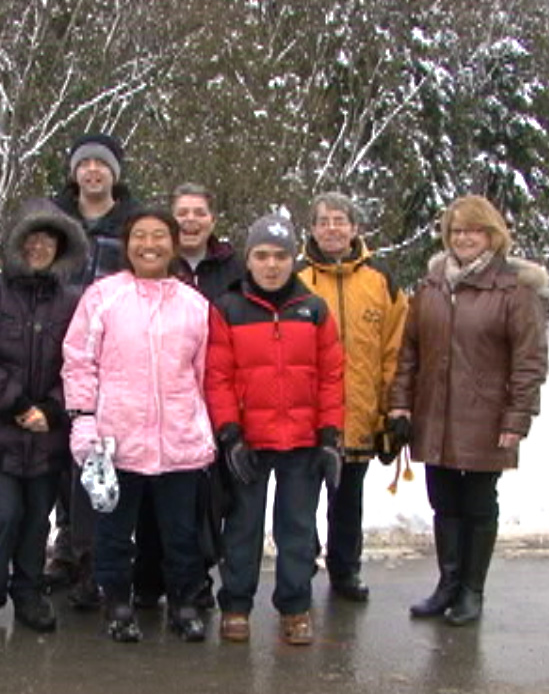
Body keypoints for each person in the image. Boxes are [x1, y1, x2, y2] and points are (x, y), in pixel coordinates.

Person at [389, 195, 549, 626]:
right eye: (456, 231)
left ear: (492, 236)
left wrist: (517, 418)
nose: (463, 239)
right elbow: (410, 352)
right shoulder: (431, 287)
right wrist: (401, 404)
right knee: (443, 502)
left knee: (478, 504)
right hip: (435, 416)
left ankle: (472, 591)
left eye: (473, 231)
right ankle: (447, 584)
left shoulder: (515, 291)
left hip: (486, 417)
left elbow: (529, 361)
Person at [62, 207, 215, 643]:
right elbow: (79, 362)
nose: (150, 245)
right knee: (112, 532)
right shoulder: (102, 296)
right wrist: (84, 421)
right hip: (116, 440)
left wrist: (206, 426)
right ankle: (117, 602)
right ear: (127, 245)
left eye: (159, 236)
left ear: (173, 243)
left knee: (180, 533)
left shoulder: (194, 305)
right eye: (140, 237)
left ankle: (184, 603)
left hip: (179, 442)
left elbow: (206, 374)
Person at [0, 200, 87, 633]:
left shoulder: (75, 301)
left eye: (49, 238)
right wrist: (16, 404)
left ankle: (28, 592)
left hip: (47, 435)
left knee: (36, 518)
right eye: (32, 236)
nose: (39, 246)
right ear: (16, 242)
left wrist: (52, 408)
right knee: (4, 514)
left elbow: (84, 362)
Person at [208, 214, 345, 647]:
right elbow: (218, 377)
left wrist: (330, 436)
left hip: (302, 441)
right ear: (248, 260)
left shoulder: (314, 309)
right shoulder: (228, 308)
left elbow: (332, 376)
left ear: (293, 260)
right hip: (249, 440)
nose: (271, 265)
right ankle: (235, 605)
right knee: (242, 528)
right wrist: (230, 434)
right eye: (262, 256)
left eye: (281, 256)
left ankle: (294, 606)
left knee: (297, 530)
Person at [131, 182, 245, 612]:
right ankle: (149, 578)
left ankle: (196, 580)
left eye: (200, 212)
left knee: (207, 501)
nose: (191, 220)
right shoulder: (156, 264)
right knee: (157, 497)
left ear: (213, 220)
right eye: (183, 213)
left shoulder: (233, 268)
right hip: (161, 400)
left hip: (217, 396)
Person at [45, 132, 141, 608]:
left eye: (102, 166)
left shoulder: (130, 224)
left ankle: (95, 550)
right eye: (85, 165)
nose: (93, 173)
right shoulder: (55, 219)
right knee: (62, 451)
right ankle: (66, 543)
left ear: (114, 176)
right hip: (55, 344)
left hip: (110, 352)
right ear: (75, 172)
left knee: (98, 452)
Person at [297, 192, 409, 602]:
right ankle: (300, 564)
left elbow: (396, 350)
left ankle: (345, 571)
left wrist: (392, 409)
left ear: (355, 228)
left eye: (340, 220)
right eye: (323, 221)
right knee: (301, 500)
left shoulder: (381, 281)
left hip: (360, 413)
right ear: (311, 229)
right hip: (307, 418)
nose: (332, 228)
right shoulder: (295, 279)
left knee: (348, 502)